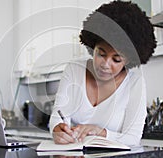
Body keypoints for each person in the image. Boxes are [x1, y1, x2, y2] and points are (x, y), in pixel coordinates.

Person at [49, 0, 156, 146]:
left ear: (128, 60)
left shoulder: (135, 83)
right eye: (101, 54)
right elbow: (58, 116)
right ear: (93, 47)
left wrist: (100, 132)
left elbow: (133, 137)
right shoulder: (74, 69)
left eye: (116, 60)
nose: (105, 65)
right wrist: (58, 130)